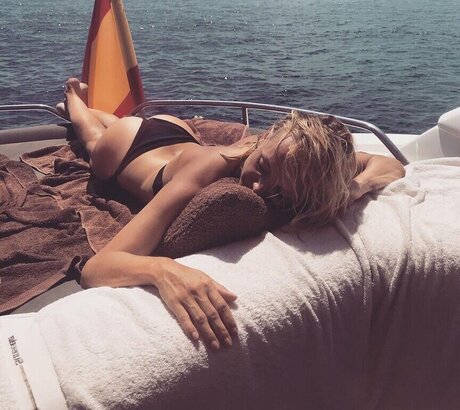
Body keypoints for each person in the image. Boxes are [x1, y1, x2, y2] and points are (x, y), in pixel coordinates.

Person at [61, 78, 404, 350]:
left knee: (118, 122)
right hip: (127, 148)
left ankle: (101, 110)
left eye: (280, 193)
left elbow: (389, 165)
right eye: (263, 168)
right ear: (266, 136)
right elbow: (96, 269)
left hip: (176, 131)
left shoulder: (295, 163)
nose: (258, 188)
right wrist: (163, 271)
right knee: (93, 138)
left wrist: (354, 188)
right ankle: (73, 96)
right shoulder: (207, 172)